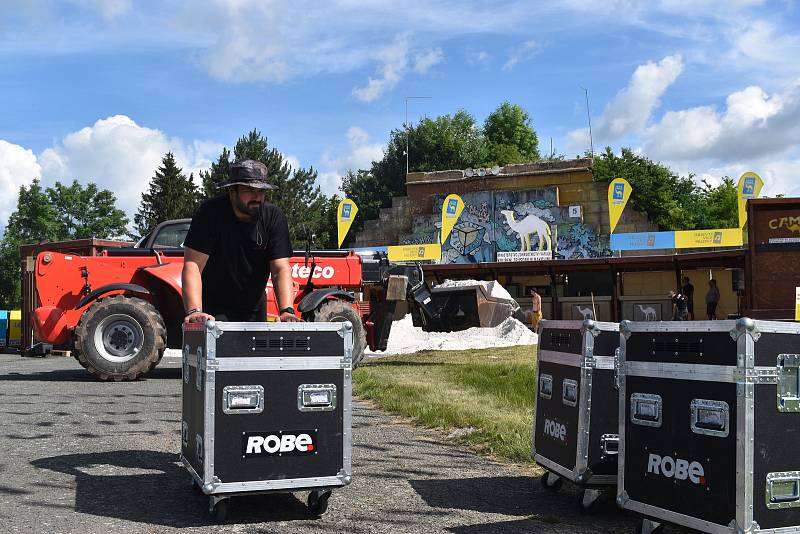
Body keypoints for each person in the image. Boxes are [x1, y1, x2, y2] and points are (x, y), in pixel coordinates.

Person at [181, 160, 300, 323]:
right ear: (232, 190)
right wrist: (194, 311)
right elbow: (193, 265)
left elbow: (280, 269)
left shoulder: (273, 216)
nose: (257, 197)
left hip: (254, 310)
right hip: (212, 312)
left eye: (261, 191)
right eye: (249, 190)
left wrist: (287, 311)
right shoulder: (210, 213)